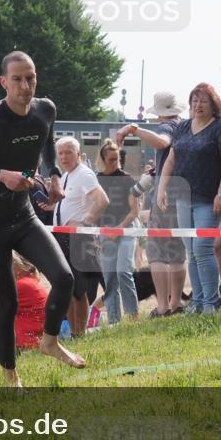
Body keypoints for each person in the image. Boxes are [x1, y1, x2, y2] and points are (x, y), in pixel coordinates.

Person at [0, 50, 86, 387]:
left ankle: (50, 341)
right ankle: (11, 376)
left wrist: (54, 175)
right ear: (4, 82)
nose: (25, 86)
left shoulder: (45, 109)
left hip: (24, 216)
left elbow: (47, 143)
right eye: (17, 79)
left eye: (31, 78)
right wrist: (0, 175)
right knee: (6, 303)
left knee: (64, 278)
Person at [157, 83, 221, 314]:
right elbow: (171, 160)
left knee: (203, 248)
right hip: (182, 197)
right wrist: (162, 189)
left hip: (209, 199)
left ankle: (211, 302)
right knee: (191, 252)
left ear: (213, 105)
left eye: (203, 101)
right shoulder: (182, 127)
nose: (197, 105)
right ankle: (198, 301)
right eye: (194, 100)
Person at [116, 91, 188, 317]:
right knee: (178, 252)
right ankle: (176, 302)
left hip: (166, 194)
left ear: (160, 114)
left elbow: (162, 142)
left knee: (156, 252)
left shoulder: (166, 128)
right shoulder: (186, 128)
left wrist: (133, 129)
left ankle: (163, 306)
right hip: (184, 192)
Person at [49, 137, 109, 334]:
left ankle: (79, 333)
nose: (64, 157)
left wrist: (85, 222)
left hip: (78, 238)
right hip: (63, 237)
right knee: (67, 287)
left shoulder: (84, 174)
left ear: (78, 153)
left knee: (79, 289)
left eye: (68, 152)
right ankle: (73, 331)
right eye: (61, 153)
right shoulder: (67, 175)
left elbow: (102, 200)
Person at [95, 139, 139, 325]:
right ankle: (114, 320)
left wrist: (118, 230)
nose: (115, 162)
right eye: (111, 159)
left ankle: (132, 316)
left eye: (117, 159)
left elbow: (134, 211)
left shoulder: (127, 178)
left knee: (123, 271)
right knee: (110, 277)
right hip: (105, 230)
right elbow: (95, 208)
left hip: (127, 228)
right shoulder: (96, 180)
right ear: (103, 160)